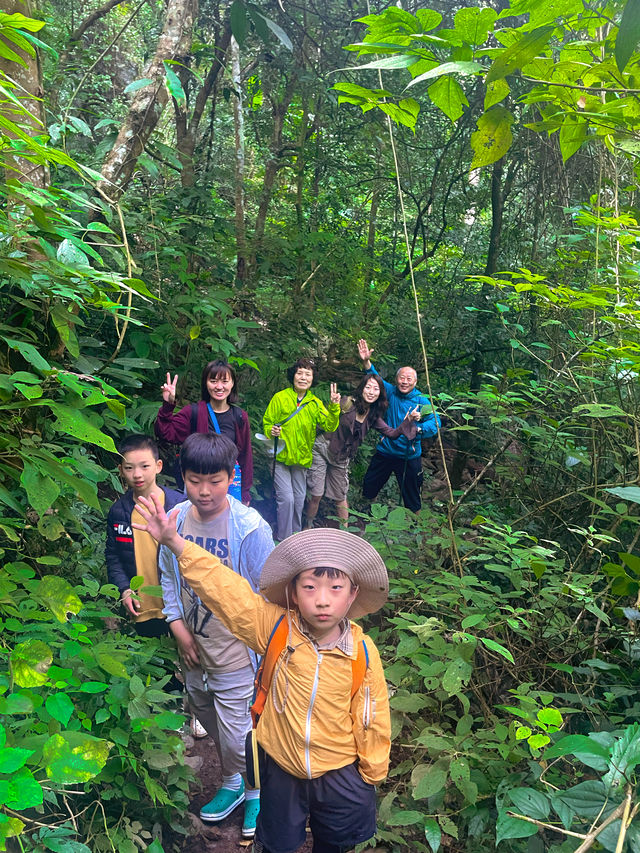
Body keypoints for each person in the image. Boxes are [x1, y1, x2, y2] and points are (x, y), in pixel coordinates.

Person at [133, 498, 391, 853]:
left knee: (333, 846)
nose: (322, 601)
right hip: (282, 767)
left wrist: (371, 773)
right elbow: (227, 590)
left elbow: (372, 715)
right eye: (310, 587)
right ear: (293, 592)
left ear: (352, 595)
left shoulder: (361, 650)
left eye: (335, 589)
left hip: (339, 771)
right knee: (276, 846)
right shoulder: (275, 629)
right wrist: (176, 543)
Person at [158, 432, 274, 840]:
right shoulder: (174, 519)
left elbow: (267, 592)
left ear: (232, 476)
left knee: (240, 727)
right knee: (204, 711)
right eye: (194, 480)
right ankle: (233, 781)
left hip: (236, 651)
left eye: (215, 481)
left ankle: (255, 790)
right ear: (183, 478)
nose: (204, 491)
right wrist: (176, 627)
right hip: (194, 646)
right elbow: (168, 576)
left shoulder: (249, 527)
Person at [306, 373, 420, 527]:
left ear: (380, 393)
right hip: (323, 448)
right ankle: (307, 525)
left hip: (341, 457)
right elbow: (323, 422)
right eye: (368, 387)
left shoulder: (373, 416)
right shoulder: (347, 403)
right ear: (361, 389)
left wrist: (408, 421)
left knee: (340, 496)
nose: (371, 392)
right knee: (316, 494)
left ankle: (344, 533)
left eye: (376, 389)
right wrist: (333, 405)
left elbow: (392, 434)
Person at [105, 434, 183, 637]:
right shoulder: (119, 512)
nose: (137, 474)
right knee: (155, 665)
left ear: (158, 466)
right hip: (143, 606)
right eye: (129, 468)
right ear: (121, 470)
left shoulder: (178, 506)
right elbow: (113, 556)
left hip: (179, 604)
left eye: (144, 466)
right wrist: (124, 589)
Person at [358, 338, 441, 512]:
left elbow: (435, 423)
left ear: (415, 382)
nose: (404, 381)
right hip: (385, 451)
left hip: (408, 457)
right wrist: (366, 361)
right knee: (369, 488)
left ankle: (413, 531)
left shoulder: (421, 401)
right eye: (401, 378)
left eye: (409, 379)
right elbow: (374, 379)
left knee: (412, 499)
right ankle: (363, 520)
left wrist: (418, 429)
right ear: (396, 380)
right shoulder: (390, 392)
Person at [262, 358, 340, 540]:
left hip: (301, 459)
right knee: (287, 499)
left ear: (313, 379)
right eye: (299, 373)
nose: (303, 378)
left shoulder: (314, 403)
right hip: (280, 456)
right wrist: (271, 430)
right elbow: (267, 423)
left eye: (308, 374)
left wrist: (334, 407)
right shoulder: (280, 398)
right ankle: (283, 539)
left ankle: (295, 537)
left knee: (298, 501)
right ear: (293, 375)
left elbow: (329, 426)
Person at [155, 360, 253, 504]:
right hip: (199, 483)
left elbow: (245, 456)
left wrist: (245, 494)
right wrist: (168, 405)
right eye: (213, 381)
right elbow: (165, 432)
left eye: (225, 381)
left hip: (228, 484)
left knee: (227, 524)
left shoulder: (239, 416)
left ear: (232, 384)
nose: (219, 387)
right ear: (205, 383)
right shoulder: (193, 412)